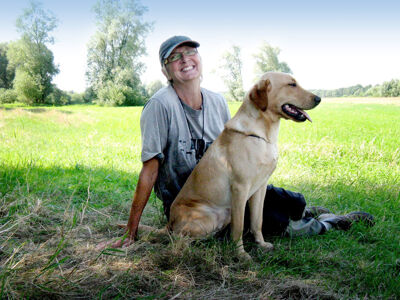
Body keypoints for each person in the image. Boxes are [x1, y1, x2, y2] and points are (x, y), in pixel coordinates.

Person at [110, 36, 374, 248]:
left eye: (190, 52)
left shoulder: (217, 100)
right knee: (272, 218)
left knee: (287, 198)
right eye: (175, 57)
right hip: (194, 204)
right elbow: (150, 168)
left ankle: (305, 210)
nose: (185, 59)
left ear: (200, 59)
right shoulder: (159, 106)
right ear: (165, 70)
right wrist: (132, 230)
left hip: (226, 185)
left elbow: (236, 157)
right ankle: (328, 223)